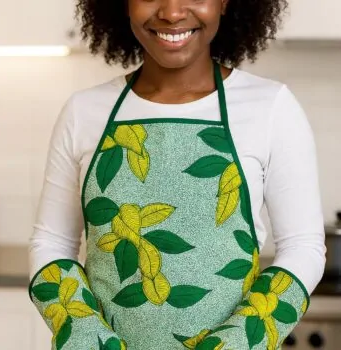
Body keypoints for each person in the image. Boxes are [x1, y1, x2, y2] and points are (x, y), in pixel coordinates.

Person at [28, 0, 326, 349]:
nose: (171, 12)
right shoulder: (83, 111)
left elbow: (302, 247)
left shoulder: (271, 106)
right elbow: (52, 243)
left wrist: (236, 344)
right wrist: (86, 339)